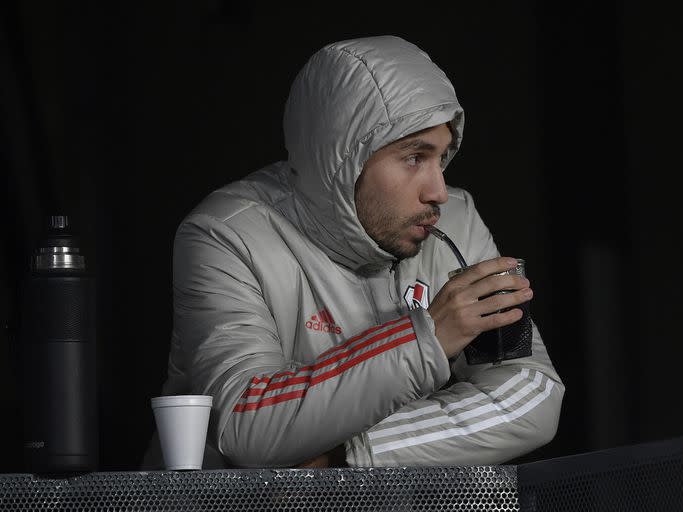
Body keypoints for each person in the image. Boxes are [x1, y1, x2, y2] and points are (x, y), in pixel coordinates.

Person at [143, 35, 564, 469]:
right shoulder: (226, 235)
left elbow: (530, 393)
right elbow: (244, 424)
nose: (439, 191)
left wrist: (352, 454)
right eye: (415, 157)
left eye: (442, 158)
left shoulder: (456, 220)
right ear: (344, 159)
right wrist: (429, 339)